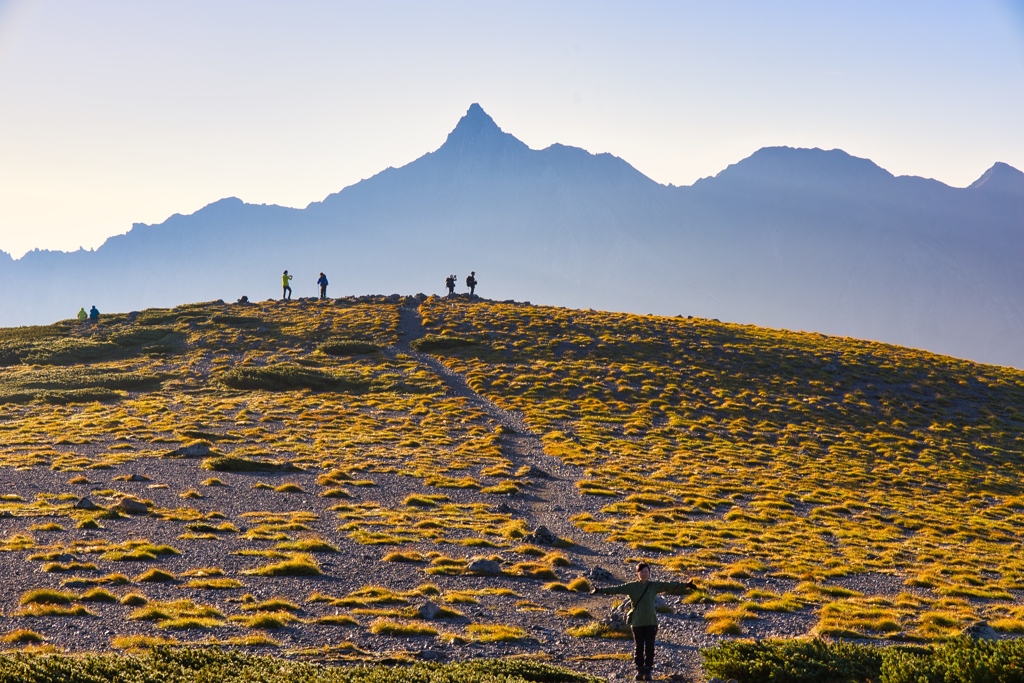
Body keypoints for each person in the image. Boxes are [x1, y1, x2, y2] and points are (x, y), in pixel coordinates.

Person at [590, 563, 697, 681]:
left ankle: (648, 671)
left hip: (651, 622)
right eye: (642, 572)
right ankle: (639, 670)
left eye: (646, 571)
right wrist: (599, 590)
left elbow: (668, 586)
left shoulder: (654, 585)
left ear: (649, 573)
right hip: (637, 622)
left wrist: (686, 585)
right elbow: (616, 589)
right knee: (639, 647)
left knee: (650, 647)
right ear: (637, 574)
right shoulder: (631, 586)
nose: (644, 574)